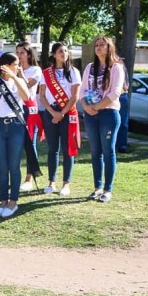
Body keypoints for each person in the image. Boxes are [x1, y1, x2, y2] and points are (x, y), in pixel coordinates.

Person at [0, 51, 31, 218]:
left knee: (14, 165)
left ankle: (13, 201)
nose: (18, 66)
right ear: (6, 65)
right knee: (2, 166)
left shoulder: (18, 81)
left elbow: (27, 96)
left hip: (15, 126)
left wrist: (16, 77)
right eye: (15, 64)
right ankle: (3, 200)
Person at [79, 36, 125, 203]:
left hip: (108, 113)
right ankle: (97, 188)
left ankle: (107, 190)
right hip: (91, 114)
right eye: (96, 45)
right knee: (95, 152)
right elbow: (82, 90)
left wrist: (97, 107)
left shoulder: (116, 68)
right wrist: (86, 107)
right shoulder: (90, 67)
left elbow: (115, 93)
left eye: (102, 45)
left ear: (109, 48)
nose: (98, 47)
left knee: (108, 151)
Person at [38, 41, 81, 196]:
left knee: (67, 148)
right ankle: (51, 182)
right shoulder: (46, 73)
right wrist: (52, 112)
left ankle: (66, 184)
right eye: (60, 51)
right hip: (51, 112)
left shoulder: (74, 71)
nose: (64, 54)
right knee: (52, 149)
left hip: (68, 112)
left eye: (66, 51)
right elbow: (42, 96)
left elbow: (75, 96)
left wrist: (62, 113)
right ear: (54, 54)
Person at [15, 41, 44, 192]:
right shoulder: (13, 69)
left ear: (28, 54)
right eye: (17, 52)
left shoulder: (35, 70)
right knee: (16, 144)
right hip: (15, 108)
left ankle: (30, 177)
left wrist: (19, 75)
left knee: (30, 143)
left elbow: (28, 87)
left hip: (29, 108)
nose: (19, 56)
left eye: (22, 53)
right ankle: (15, 176)